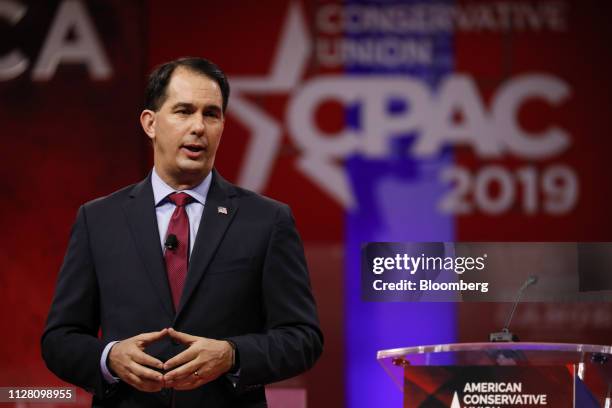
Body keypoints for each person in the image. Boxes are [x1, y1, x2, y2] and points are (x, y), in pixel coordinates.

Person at [41, 57, 323, 407]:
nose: (199, 127)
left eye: (211, 114)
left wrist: (232, 355)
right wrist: (109, 358)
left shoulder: (267, 220)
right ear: (150, 123)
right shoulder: (98, 219)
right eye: (184, 111)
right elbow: (59, 339)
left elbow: (303, 337)